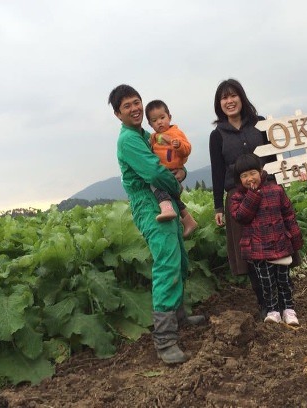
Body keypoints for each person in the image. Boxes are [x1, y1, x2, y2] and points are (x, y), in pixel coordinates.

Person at [108, 84, 204, 365]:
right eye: (127, 106)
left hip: (164, 200)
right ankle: (164, 340)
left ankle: (179, 315)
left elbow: (171, 158)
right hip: (148, 205)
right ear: (118, 114)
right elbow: (153, 170)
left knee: (179, 258)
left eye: (137, 102)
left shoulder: (146, 135)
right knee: (167, 262)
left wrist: (182, 170)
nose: (135, 108)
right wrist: (175, 181)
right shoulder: (128, 139)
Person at [209, 78, 277, 317]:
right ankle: (265, 303)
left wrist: (281, 183)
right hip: (238, 199)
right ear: (219, 104)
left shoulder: (261, 124)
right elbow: (217, 172)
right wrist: (218, 206)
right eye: (224, 97)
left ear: (242, 97)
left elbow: (275, 158)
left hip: (267, 191)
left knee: (275, 244)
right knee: (251, 252)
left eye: (233, 95)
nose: (229, 101)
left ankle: (283, 300)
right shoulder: (217, 135)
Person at [229, 153, 303, 325]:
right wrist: (253, 195)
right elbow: (241, 217)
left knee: (284, 280)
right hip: (257, 249)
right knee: (266, 283)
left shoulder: (276, 190)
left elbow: (289, 215)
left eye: (253, 173)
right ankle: (272, 310)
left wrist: (295, 238)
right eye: (244, 176)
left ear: (261, 172)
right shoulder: (237, 197)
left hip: (280, 243)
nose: (250, 178)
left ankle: (289, 310)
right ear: (239, 179)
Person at [145, 100, 198, 238]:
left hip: (171, 172)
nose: (159, 122)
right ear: (150, 124)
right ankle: (189, 221)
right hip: (165, 171)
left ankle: (166, 208)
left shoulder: (176, 133)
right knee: (174, 197)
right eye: (154, 120)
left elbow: (187, 149)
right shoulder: (153, 137)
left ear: (170, 117)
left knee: (154, 183)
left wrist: (178, 145)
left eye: (162, 118)